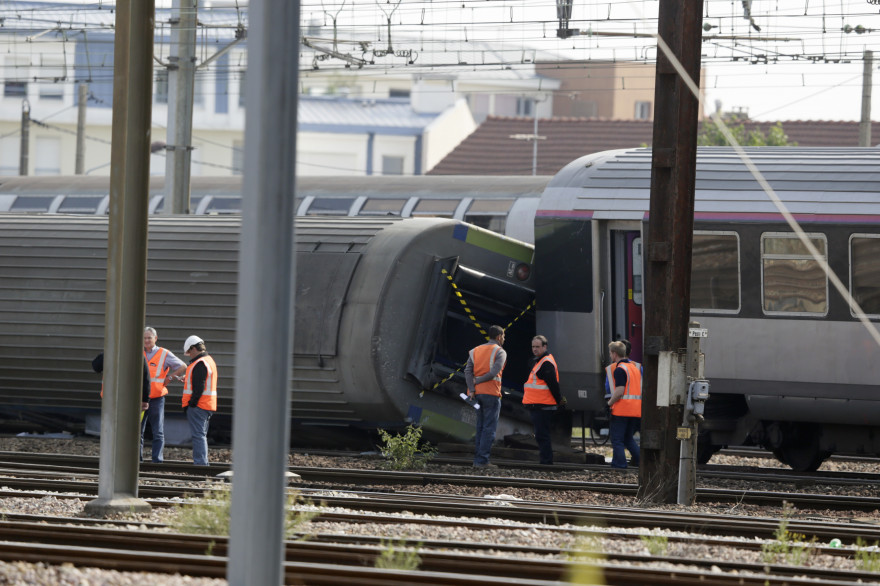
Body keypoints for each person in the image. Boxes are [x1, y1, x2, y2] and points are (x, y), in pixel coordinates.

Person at [141, 327, 187, 463]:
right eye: (144, 338)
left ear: (156, 338)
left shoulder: (163, 354)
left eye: (149, 337)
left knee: (158, 432)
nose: (147, 340)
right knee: (137, 432)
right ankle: (137, 460)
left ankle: (157, 460)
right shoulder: (136, 351)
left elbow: (182, 366)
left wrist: (170, 378)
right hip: (139, 399)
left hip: (156, 398)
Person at [464, 325, 507, 469]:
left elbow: (467, 371)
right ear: (499, 337)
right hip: (492, 394)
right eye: (503, 336)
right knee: (489, 428)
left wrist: (471, 388)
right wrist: (479, 381)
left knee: (480, 427)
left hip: (477, 394)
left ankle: (477, 461)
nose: (504, 339)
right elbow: (495, 371)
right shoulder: (500, 352)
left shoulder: (475, 350)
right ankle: (482, 461)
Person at [522, 335, 564, 465]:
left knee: (542, 435)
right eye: (533, 347)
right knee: (541, 434)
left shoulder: (546, 363)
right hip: (539, 404)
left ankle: (546, 462)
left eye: (537, 347)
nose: (534, 349)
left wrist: (559, 400)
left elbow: (553, 385)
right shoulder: (540, 361)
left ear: (545, 347)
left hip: (543, 405)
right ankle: (545, 460)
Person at [182, 335, 218, 466]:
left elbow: (199, 387)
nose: (189, 355)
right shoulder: (208, 360)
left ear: (193, 348)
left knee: (198, 436)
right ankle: (202, 463)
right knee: (201, 435)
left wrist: (191, 404)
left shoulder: (200, 363)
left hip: (199, 406)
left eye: (189, 352)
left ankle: (201, 464)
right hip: (207, 405)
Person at [607, 340, 642, 469]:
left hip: (622, 410)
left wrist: (609, 404)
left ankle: (620, 466)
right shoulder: (634, 368)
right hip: (635, 410)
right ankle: (640, 462)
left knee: (617, 440)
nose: (610, 356)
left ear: (615, 354)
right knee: (628, 439)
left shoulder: (620, 369)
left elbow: (619, 391)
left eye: (611, 353)